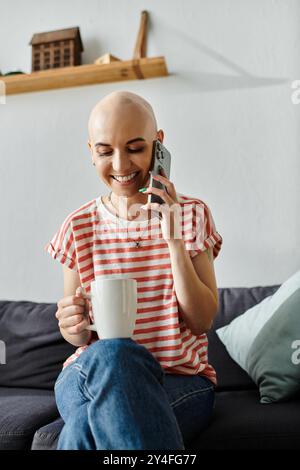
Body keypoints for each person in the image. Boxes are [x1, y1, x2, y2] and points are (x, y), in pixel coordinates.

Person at [44, 90, 223, 450]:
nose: (121, 165)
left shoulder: (191, 214)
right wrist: (72, 324)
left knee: (84, 428)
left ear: (159, 145)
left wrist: (173, 240)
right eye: (105, 151)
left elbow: (201, 321)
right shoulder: (78, 226)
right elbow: (79, 336)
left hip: (177, 379)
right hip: (85, 375)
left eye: (135, 148)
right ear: (91, 151)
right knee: (113, 353)